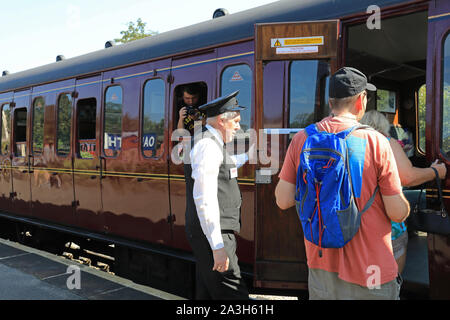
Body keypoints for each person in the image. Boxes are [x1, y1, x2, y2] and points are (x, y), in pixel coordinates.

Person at [275, 67, 410, 300]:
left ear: (330, 101)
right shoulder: (376, 141)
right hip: (372, 270)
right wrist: (407, 205)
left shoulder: (302, 139)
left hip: (321, 267)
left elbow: (283, 200)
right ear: (361, 100)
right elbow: (397, 213)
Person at [360, 110, 446, 273]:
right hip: (384, 220)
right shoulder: (386, 141)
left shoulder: (353, 142)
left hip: (359, 220)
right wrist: (436, 172)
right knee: (390, 275)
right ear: (383, 125)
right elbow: (408, 177)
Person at [184, 90, 249, 300]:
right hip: (214, 232)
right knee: (233, 293)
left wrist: (249, 155)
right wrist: (218, 246)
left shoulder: (210, 142)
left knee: (208, 294)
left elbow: (226, 166)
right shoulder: (208, 146)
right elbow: (205, 198)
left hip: (212, 231)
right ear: (222, 120)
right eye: (236, 121)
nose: (239, 127)